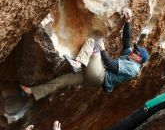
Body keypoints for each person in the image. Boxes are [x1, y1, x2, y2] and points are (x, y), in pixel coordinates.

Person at [20, 8, 149, 101]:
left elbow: (110, 66)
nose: (132, 50)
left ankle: (77, 63)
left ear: (138, 58)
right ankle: (32, 91)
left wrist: (102, 49)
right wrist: (128, 21)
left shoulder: (132, 68)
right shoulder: (131, 58)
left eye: (135, 51)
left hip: (100, 75)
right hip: (92, 79)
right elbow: (126, 41)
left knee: (93, 41)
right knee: (62, 81)